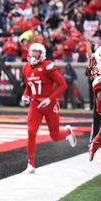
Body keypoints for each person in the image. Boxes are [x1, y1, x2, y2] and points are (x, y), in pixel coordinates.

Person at [21, 43, 76, 174]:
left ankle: (67, 132)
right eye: (31, 52)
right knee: (31, 131)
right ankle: (30, 165)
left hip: (50, 105)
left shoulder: (47, 66)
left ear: (42, 55)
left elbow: (62, 85)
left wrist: (50, 99)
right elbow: (29, 86)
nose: (33, 55)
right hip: (36, 105)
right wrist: (25, 95)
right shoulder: (26, 68)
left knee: (55, 136)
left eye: (36, 53)